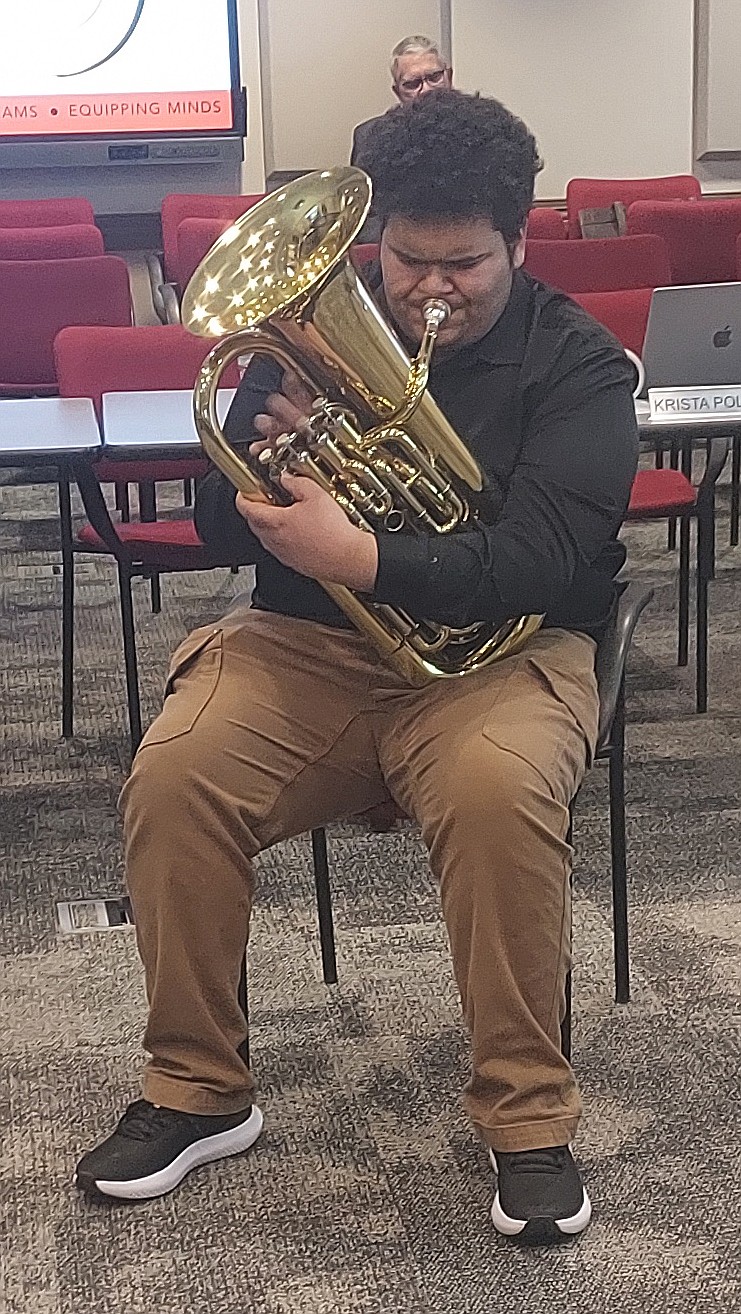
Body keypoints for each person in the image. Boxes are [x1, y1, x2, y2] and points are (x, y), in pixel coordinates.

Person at [76, 91, 639, 1244]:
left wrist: (366, 552)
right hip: (305, 649)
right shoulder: (305, 339)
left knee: (496, 796)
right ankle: (197, 1088)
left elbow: (540, 557)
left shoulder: (582, 366)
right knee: (175, 778)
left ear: (518, 245)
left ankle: (528, 1121)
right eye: (406, 261)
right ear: (369, 246)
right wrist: (271, 479)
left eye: (466, 265)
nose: (432, 289)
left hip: (509, 655)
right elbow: (214, 525)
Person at [351, 34, 453, 167]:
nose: (426, 89)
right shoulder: (369, 137)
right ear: (397, 92)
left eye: (434, 77)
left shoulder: (479, 127)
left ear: (449, 77)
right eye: (412, 83)